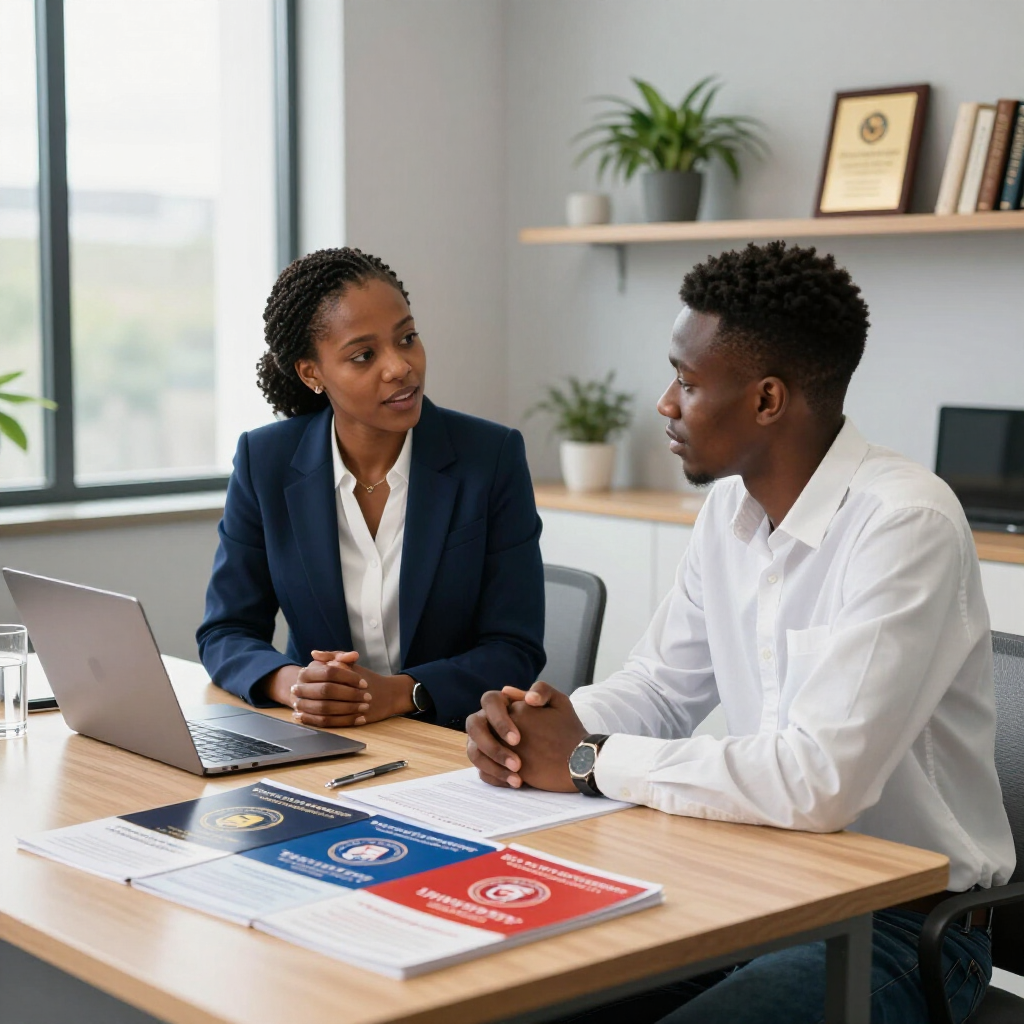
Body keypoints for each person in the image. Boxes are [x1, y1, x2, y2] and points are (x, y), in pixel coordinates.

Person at [466, 241, 1015, 1023]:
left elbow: (819, 781)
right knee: (516, 993)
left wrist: (590, 760)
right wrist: (548, 727)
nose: (664, 403)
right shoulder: (730, 508)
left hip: (903, 927)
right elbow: (661, 686)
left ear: (766, 400)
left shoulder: (905, 525)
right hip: (752, 885)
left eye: (687, 384)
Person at [198, 247, 545, 730]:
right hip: (317, 739)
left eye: (407, 338)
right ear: (311, 373)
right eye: (364, 355)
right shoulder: (266, 462)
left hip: (452, 744)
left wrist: (400, 694)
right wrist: (296, 683)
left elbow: (515, 647)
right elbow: (226, 630)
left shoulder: (491, 458)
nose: (400, 366)